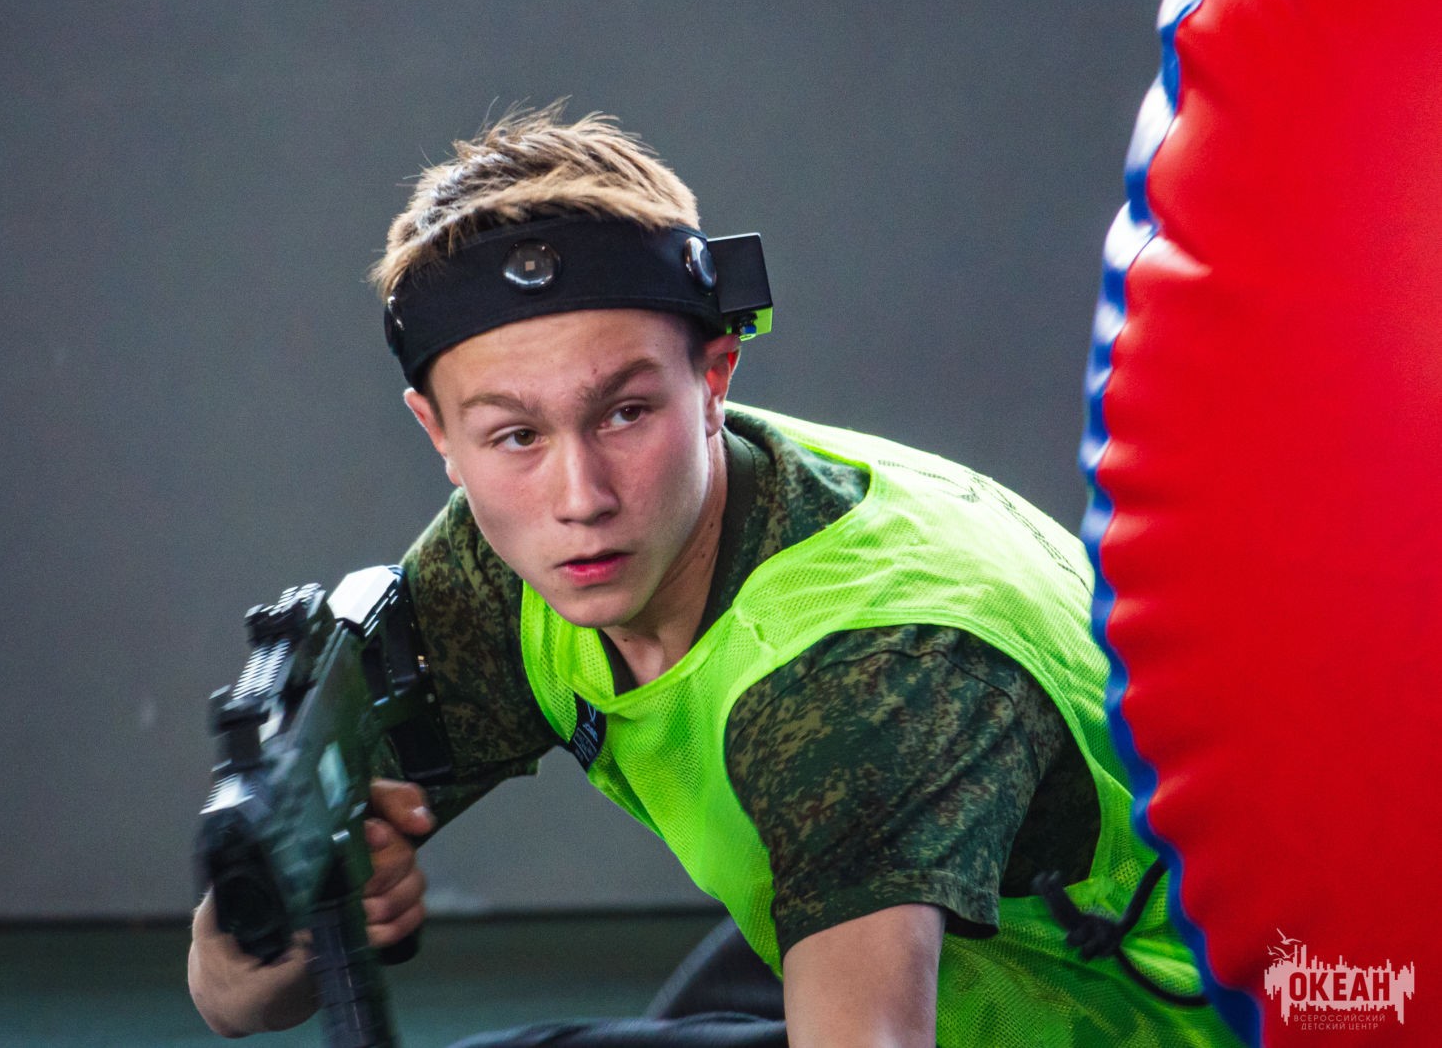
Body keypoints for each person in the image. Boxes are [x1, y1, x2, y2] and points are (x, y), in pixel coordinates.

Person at [187, 106, 1236, 1046]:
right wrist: (290, 919)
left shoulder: (862, 669)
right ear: (439, 434)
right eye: (515, 434)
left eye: (624, 412)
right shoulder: (502, 572)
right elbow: (229, 997)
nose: (580, 495)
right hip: (949, 939)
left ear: (714, 375)